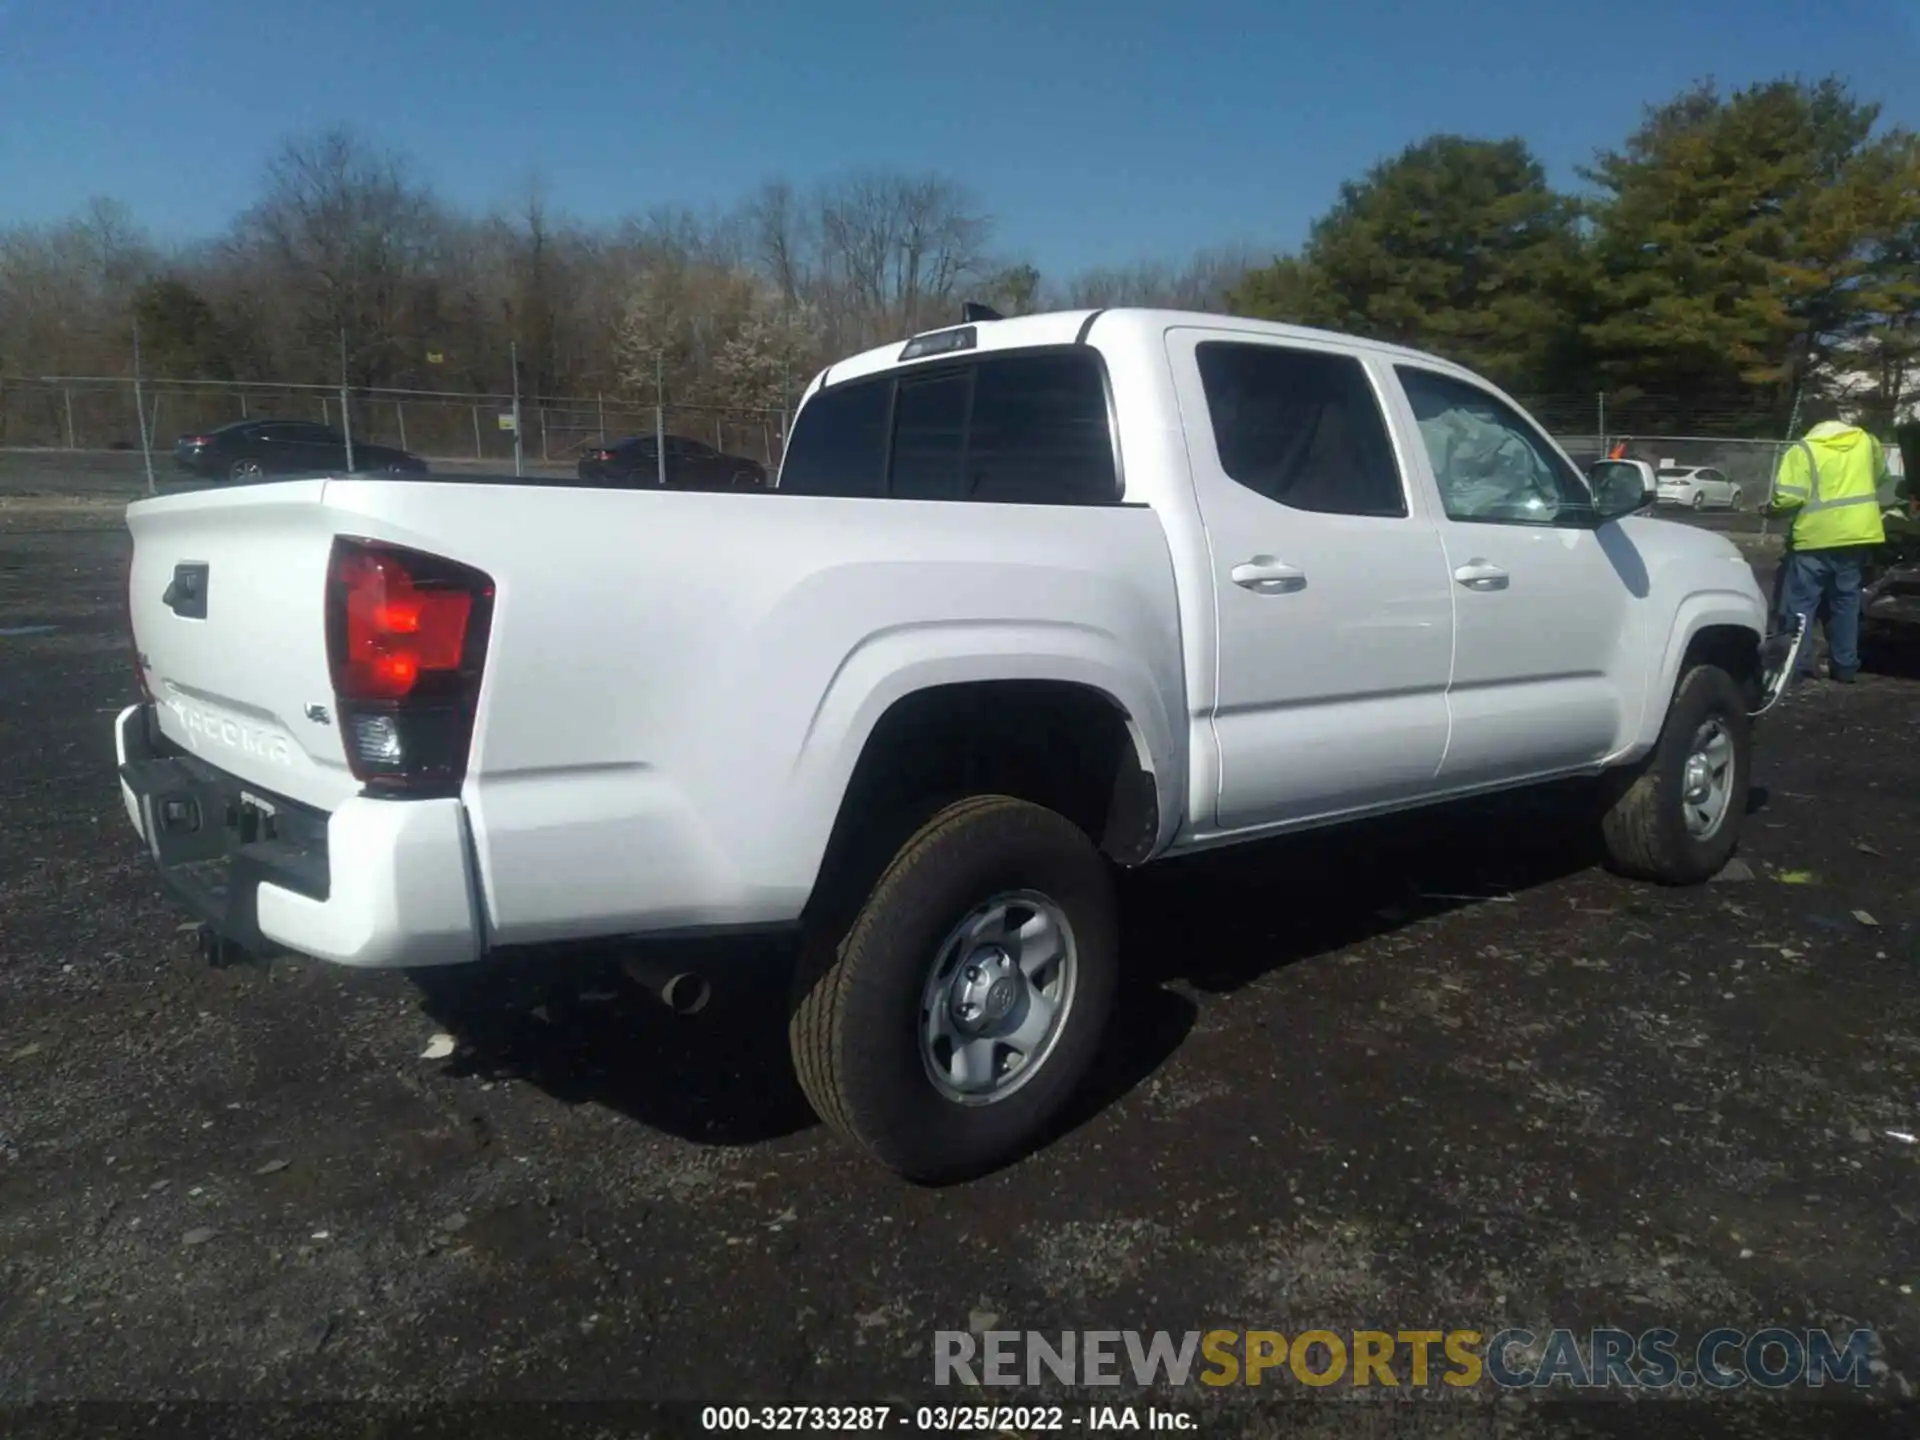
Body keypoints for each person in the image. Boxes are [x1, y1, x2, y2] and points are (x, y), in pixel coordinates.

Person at [1766, 420, 1889, 684]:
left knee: (1801, 604)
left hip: (1815, 537)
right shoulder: (1867, 442)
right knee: (1846, 602)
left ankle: (1796, 667)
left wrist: (1771, 508)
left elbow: (1789, 497)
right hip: (1857, 535)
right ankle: (1845, 667)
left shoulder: (1804, 450)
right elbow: (1880, 474)